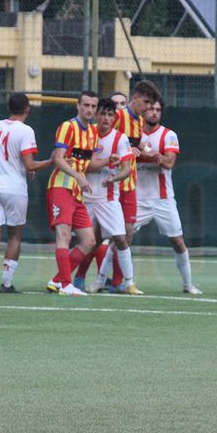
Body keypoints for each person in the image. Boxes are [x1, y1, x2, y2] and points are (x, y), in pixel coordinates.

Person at [0, 93, 51, 294]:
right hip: (14, 189)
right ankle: (6, 283)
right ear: (27, 109)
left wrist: (26, 166)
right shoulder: (26, 130)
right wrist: (52, 161)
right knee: (14, 236)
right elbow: (29, 164)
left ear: (8, 107)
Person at [134, 100, 202, 294]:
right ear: (143, 111)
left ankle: (188, 284)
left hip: (163, 199)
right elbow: (128, 156)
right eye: (150, 109)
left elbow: (168, 163)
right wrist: (153, 155)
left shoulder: (169, 135)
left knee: (177, 241)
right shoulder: (134, 134)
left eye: (158, 110)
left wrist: (144, 153)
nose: (154, 113)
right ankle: (103, 281)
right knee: (120, 238)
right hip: (138, 198)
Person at [82, 98, 141, 295]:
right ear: (96, 115)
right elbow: (85, 166)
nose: (106, 118)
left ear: (114, 117)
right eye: (103, 114)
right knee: (87, 242)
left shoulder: (120, 138)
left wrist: (115, 178)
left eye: (110, 114)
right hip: (86, 197)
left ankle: (129, 283)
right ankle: (73, 279)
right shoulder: (88, 134)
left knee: (121, 238)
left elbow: (126, 169)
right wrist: (106, 162)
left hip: (108, 199)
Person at [45, 91, 101, 296]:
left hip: (77, 192)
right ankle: (66, 284)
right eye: (86, 105)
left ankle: (58, 280)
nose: (90, 109)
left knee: (89, 241)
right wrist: (78, 176)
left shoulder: (93, 132)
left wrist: (112, 161)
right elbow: (58, 158)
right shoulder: (67, 127)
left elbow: (89, 163)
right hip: (61, 187)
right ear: (78, 106)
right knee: (64, 235)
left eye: (93, 106)